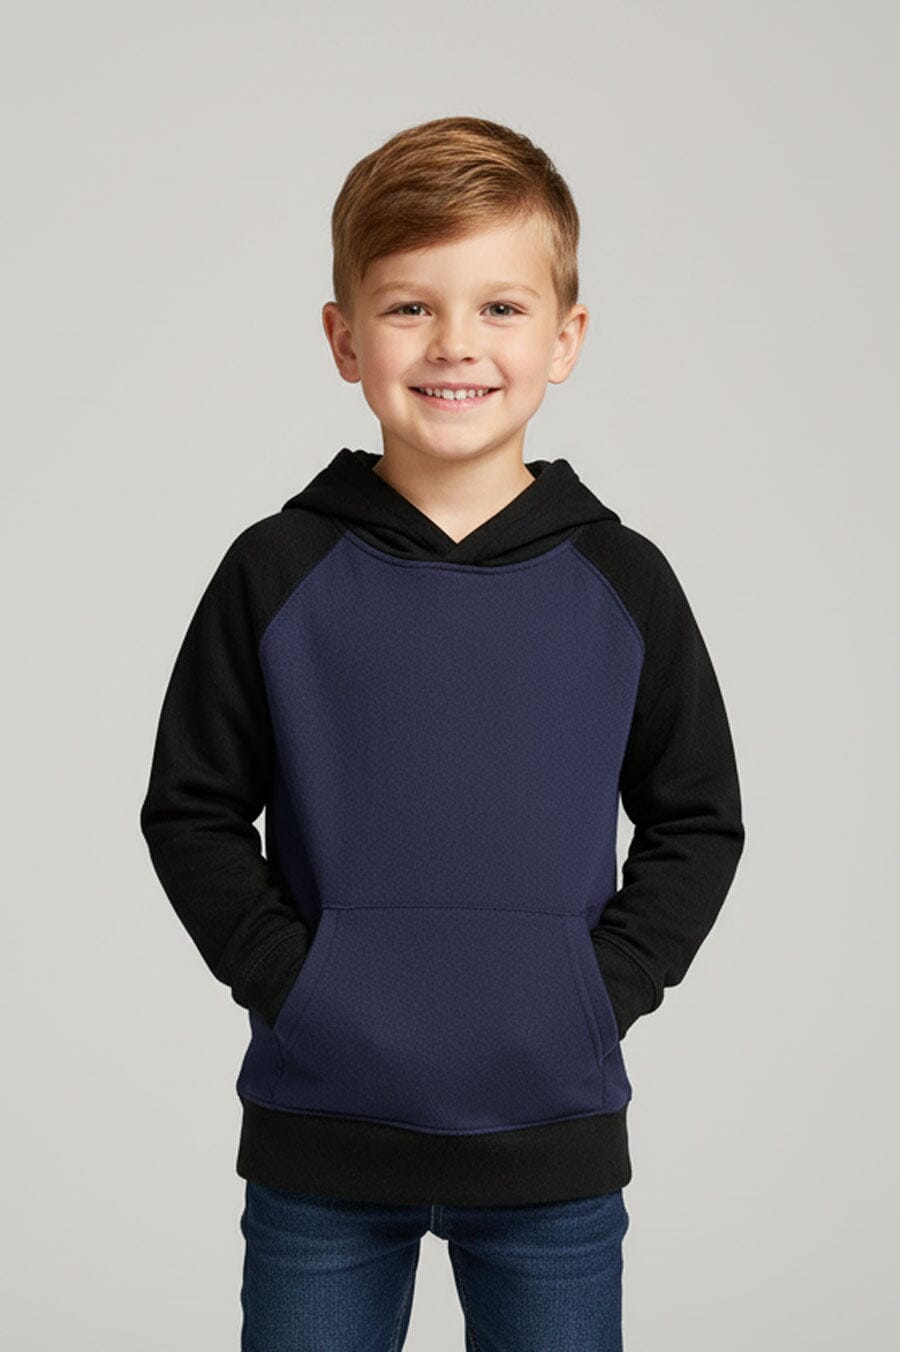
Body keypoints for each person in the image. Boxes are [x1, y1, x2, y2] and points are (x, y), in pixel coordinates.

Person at [139, 114, 746, 1352]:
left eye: (501, 308)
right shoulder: (276, 570)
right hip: (322, 1140)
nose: (455, 343)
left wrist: (594, 994)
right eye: (410, 306)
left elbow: (698, 818)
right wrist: (299, 985)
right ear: (344, 338)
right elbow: (191, 807)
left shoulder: (623, 581)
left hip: (551, 1144)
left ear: (565, 337)